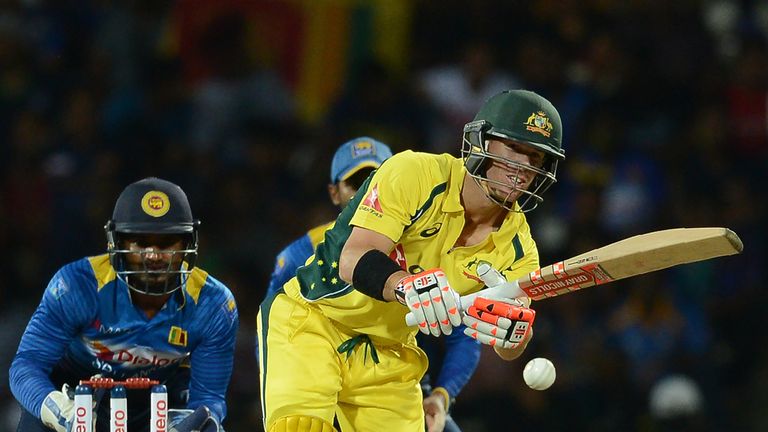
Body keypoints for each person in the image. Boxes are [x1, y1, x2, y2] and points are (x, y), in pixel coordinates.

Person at [258, 90, 565, 432]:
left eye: (535, 158)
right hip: (315, 321)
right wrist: (405, 285)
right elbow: (353, 258)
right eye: (515, 149)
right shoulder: (414, 173)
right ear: (481, 141)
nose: (522, 169)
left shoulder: (520, 248)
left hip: (390, 350)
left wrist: (514, 336)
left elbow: (511, 335)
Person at [262, 137, 480, 432]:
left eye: (376, 179)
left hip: (397, 373)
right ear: (334, 193)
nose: (367, 192)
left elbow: (464, 335)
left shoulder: (428, 246)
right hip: (318, 365)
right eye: (356, 183)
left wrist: (441, 397)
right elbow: (276, 341)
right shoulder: (302, 255)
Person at [10, 178, 239, 432]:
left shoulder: (213, 304)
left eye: (166, 243)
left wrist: (184, 422)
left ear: (187, 244)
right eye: (140, 242)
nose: (153, 255)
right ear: (117, 243)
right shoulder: (78, 285)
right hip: (76, 397)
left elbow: (209, 396)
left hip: (158, 404)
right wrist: (60, 411)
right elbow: (26, 365)